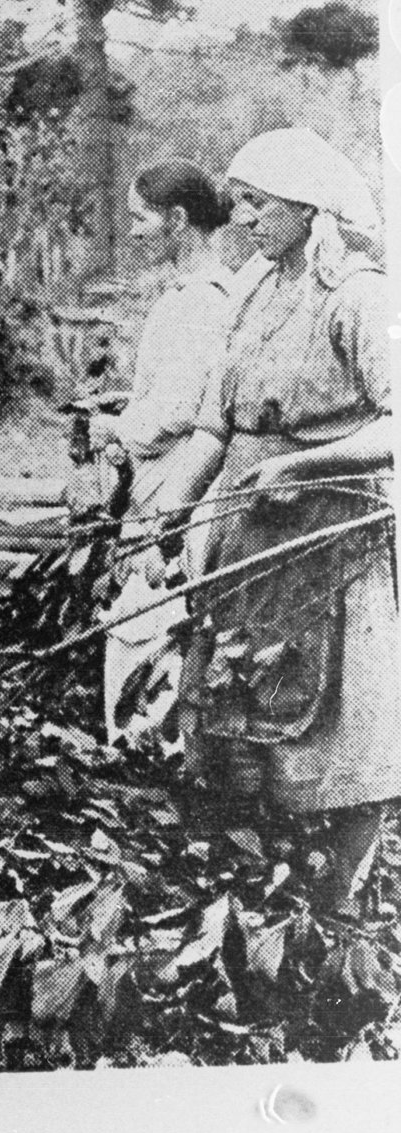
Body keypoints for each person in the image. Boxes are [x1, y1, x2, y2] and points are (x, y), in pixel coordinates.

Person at [149, 127, 396, 913]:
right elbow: (213, 427)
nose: (243, 217)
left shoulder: (359, 296)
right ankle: (258, 891)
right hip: (248, 540)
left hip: (331, 538)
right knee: (239, 706)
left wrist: (301, 466)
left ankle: (338, 896)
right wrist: (170, 511)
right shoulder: (252, 290)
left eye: (258, 203)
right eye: (239, 202)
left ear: (307, 207)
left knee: (336, 726)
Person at [91, 160, 262, 739]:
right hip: (162, 482)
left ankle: (141, 758)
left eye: (142, 219)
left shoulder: (201, 300)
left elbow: (179, 411)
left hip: (174, 488)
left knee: (149, 632)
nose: (134, 231)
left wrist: (116, 427)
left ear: (178, 219)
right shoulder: (195, 294)